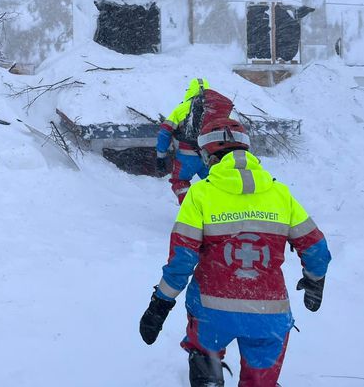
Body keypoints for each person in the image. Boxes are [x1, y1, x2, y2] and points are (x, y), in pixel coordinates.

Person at [140, 118, 331, 387]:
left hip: (211, 311)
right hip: (269, 312)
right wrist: (315, 281)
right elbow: (316, 249)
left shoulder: (200, 195)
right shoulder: (280, 194)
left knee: (206, 372)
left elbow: (182, 260)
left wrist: (159, 304)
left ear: (207, 155)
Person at [155, 77, 212, 204]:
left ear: (190, 90)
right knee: (215, 183)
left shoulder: (181, 109)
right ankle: (216, 211)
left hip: (186, 158)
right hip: (212, 157)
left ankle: (190, 209)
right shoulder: (216, 110)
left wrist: (161, 157)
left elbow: (164, 133)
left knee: (179, 182)